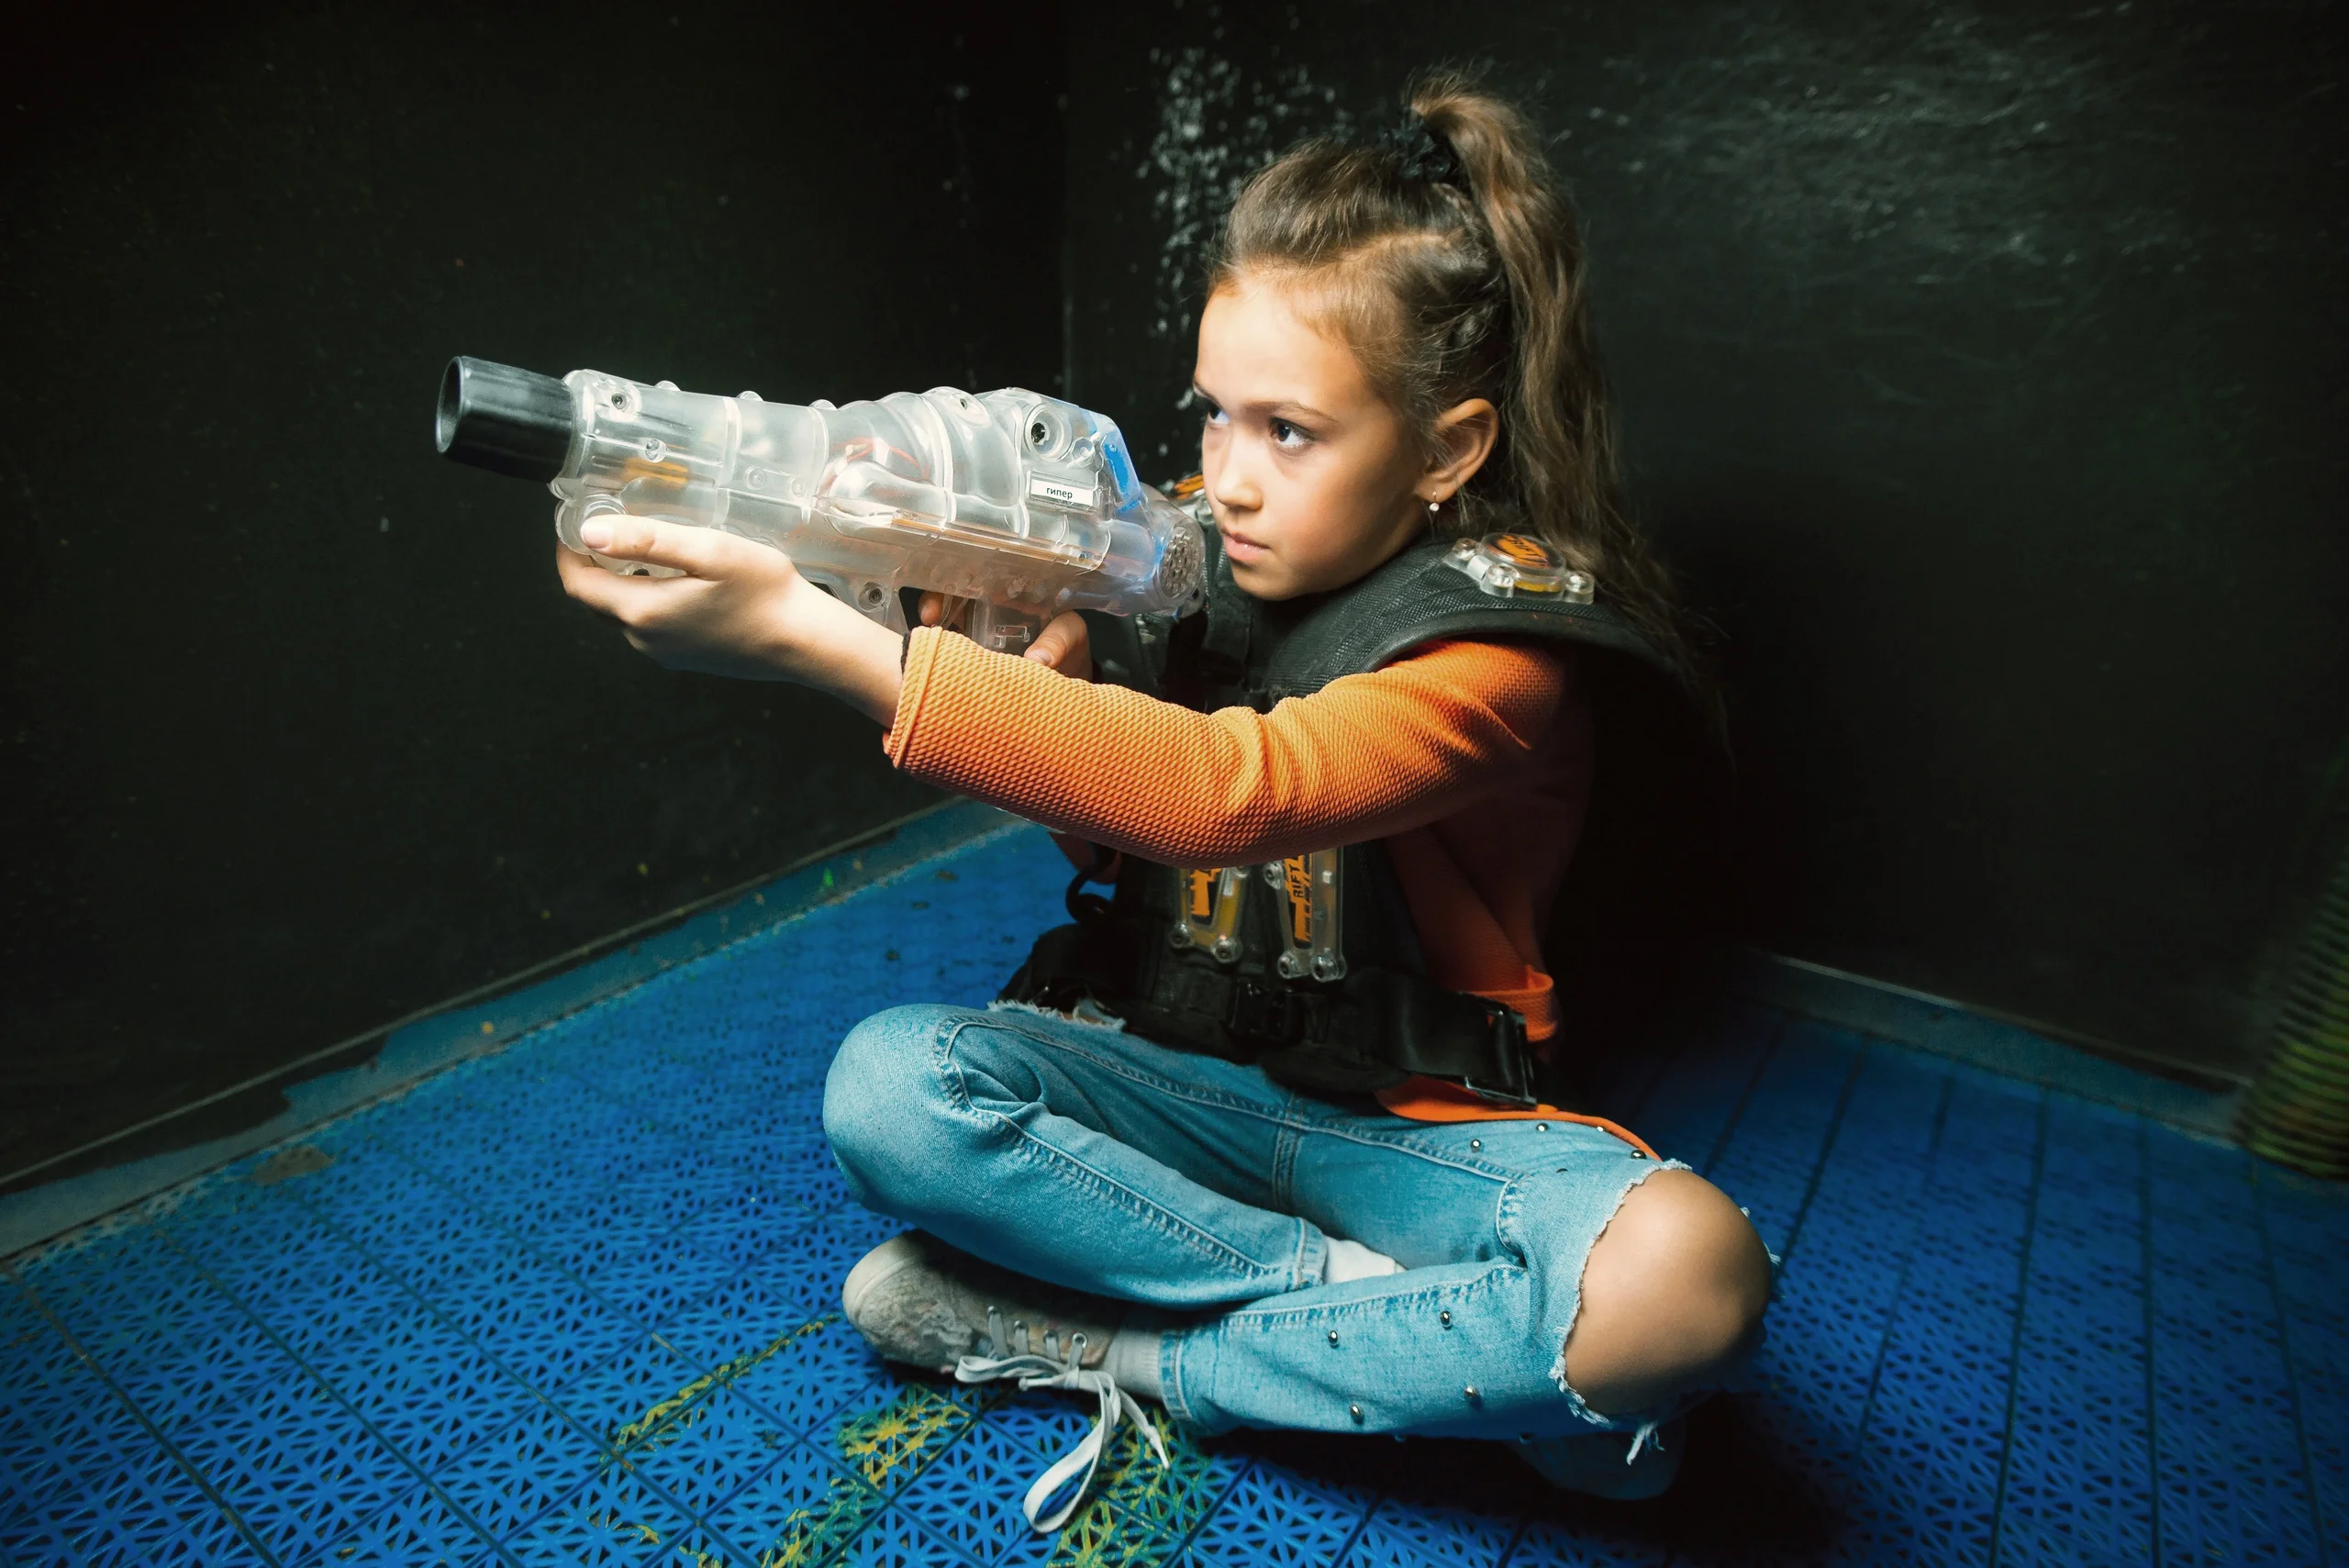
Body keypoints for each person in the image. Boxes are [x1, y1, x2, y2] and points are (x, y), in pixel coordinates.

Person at [556, 72, 1771, 1526]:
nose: (1229, 481)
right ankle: (1368, 1324)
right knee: (888, 1087)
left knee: (1688, 1284)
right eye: (1215, 417)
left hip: (1409, 1133)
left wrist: (811, 643)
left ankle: (1125, 1347)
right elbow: (1133, 845)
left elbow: (1229, 797)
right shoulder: (1193, 567)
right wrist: (1024, 663)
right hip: (1181, 1085)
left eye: (1291, 432)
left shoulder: (1500, 655)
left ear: (1449, 450)